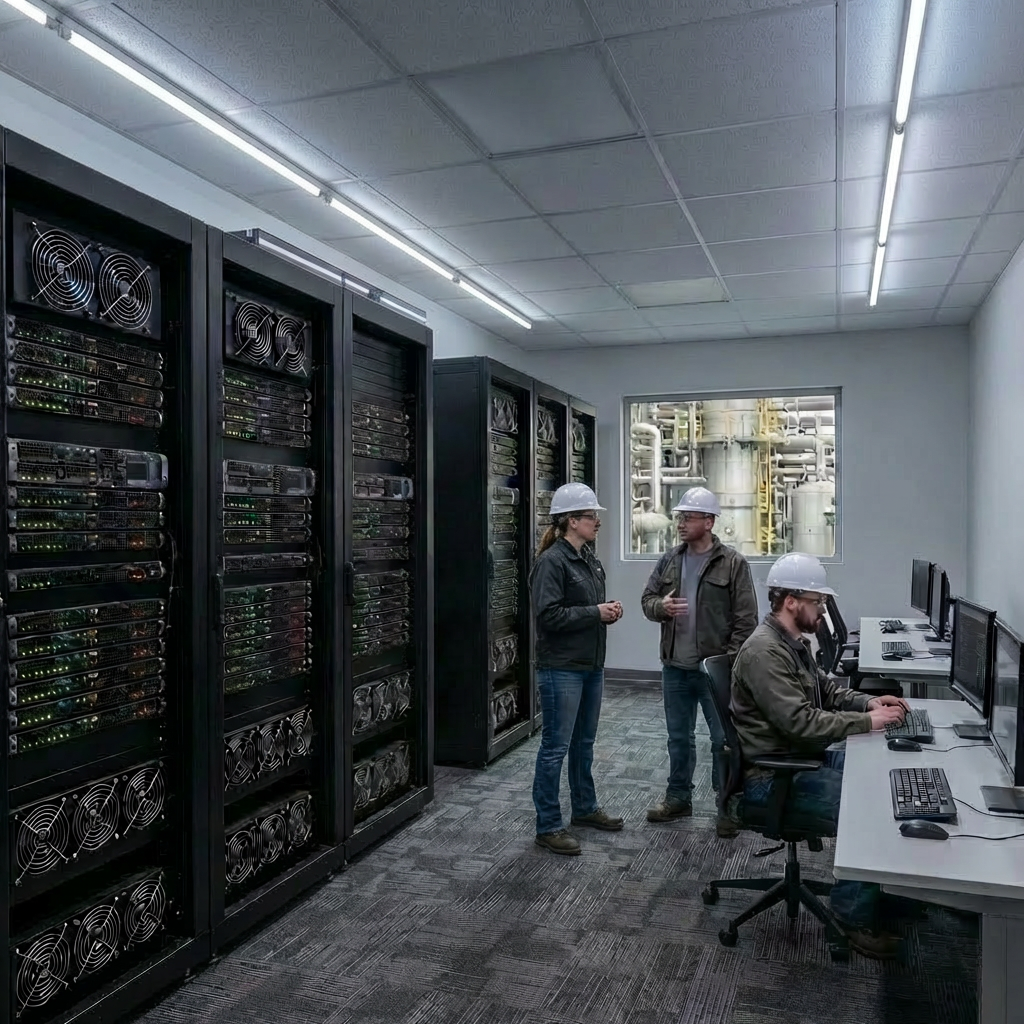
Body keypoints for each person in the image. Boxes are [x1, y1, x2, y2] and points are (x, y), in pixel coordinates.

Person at [729, 551, 909, 959]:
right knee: (866, 806)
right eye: (818, 601)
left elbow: (826, 691)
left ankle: (879, 888)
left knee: (885, 779)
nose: (824, 609)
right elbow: (802, 724)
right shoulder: (764, 654)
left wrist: (866, 703)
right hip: (772, 778)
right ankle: (851, 917)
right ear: (791, 601)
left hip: (800, 758)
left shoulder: (791, 643)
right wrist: (869, 724)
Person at [640, 487, 757, 829]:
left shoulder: (733, 563)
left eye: (688, 517)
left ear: (709, 521)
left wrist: (727, 666)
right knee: (678, 738)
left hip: (713, 673)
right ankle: (678, 798)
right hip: (675, 667)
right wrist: (660, 608)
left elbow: (746, 620)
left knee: (723, 741)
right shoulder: (670, 560)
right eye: (679, 517)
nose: (680, 523)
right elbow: (647, 600)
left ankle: (727, 807)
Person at [530, 483, 624, 856]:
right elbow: (548, 615)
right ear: (572, 521)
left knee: (584, 744)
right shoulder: (552, 562)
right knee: (555, 747)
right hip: (561, 669)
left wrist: (605, 613)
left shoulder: (588, 558)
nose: (597, 522)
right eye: (590, 516)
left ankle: (584, 809)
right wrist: (595, 613)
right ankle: (549, 825)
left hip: (589, 665)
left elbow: (582, 610)